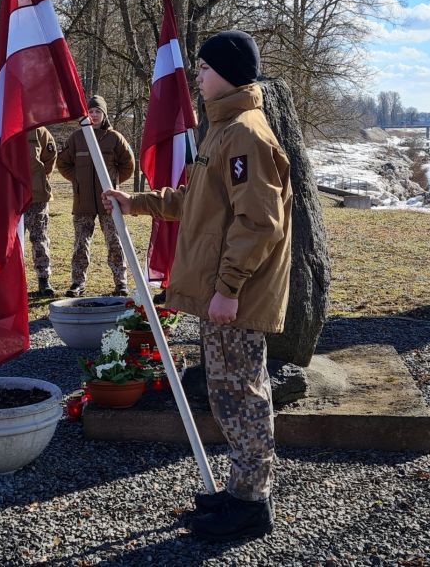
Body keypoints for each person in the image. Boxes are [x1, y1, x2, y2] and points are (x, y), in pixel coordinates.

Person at [103, 31, 291, 541]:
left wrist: (229, 288)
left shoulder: (246, 135)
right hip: (221, 293)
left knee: (242, 396)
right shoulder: (223, 129)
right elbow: (196, 201)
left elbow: (259, 224)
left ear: (228, 73)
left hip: (236, 297)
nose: (198, 77)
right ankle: (240, 492)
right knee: (229, 393)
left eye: (206, 68)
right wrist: (137, 203)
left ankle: (251, 505)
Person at [57, 95, 134, 297]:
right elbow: (62, 163)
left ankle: (121, 283)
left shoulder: (114, 138)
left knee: (115, 242)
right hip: (83, 203)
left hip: (109, 202)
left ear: (104, 114)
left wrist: (114, 183)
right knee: (80, 245)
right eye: (90, 111)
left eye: (98, 111)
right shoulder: (76, 138)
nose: (94, 115)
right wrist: (78, 180)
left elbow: (128, 165)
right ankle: (77, 283)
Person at [24, 126, 59, 297]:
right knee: (10, 242)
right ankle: (10, 281)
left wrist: (39, 178)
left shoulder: (40, 131)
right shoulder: (4, 124)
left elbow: (50, 157)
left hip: (36, 195)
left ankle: (44, 279)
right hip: (10, 196)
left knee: (39, 238)